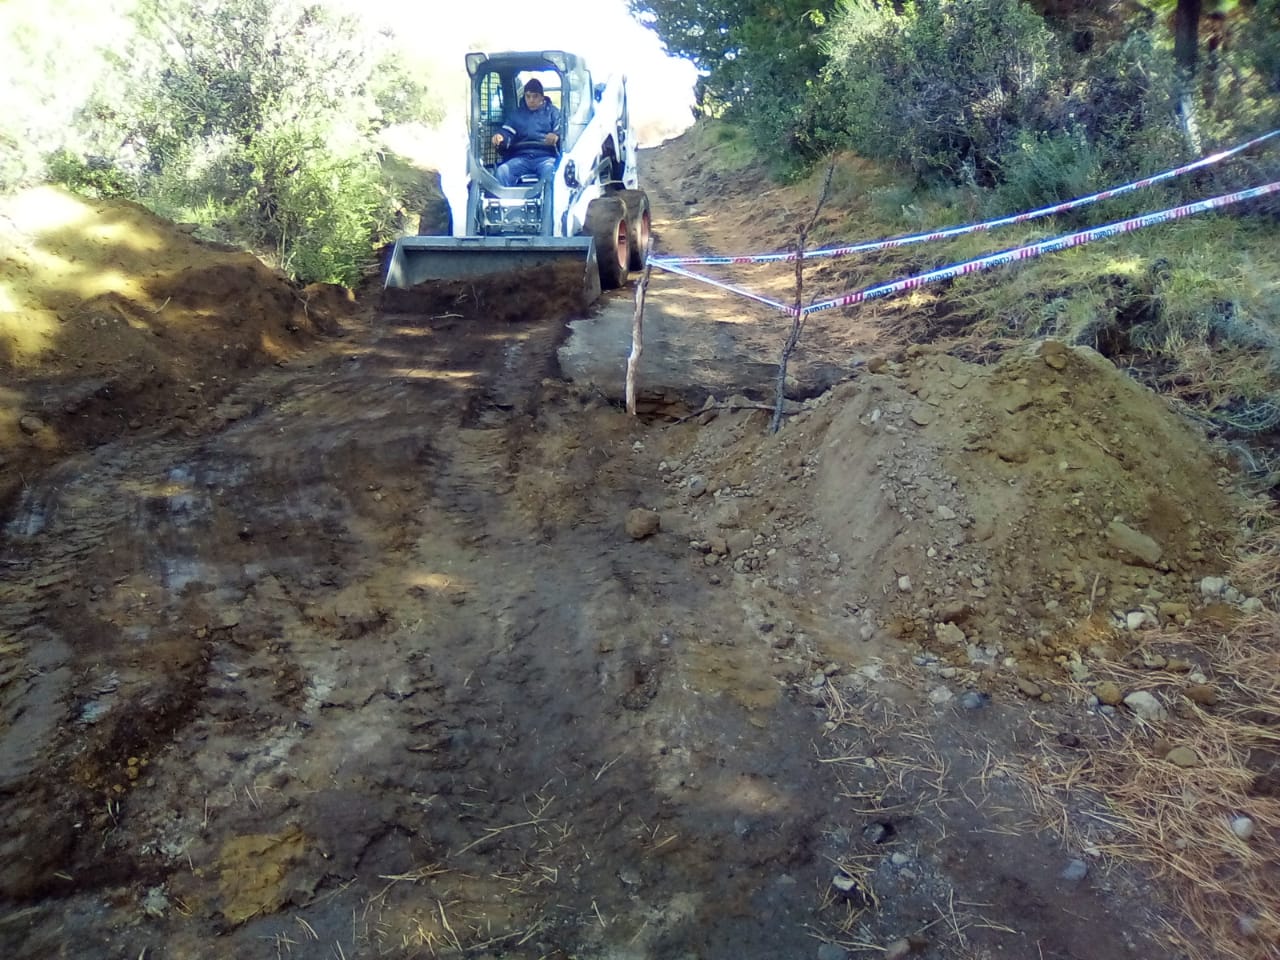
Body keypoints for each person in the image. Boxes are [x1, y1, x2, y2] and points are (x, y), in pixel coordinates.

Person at [491, 78, 561, 187]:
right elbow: (507, 131)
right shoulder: (517, 114)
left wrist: (556, 136)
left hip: (546, 158)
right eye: (528, 96)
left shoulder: (553, 112)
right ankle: (506, 198)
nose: (531, 100)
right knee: (502, 171)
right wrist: (500, 136)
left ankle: (548, 198)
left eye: (535, 96)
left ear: (542, 97)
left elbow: (561, 130)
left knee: (551, 173)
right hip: (521, 158)